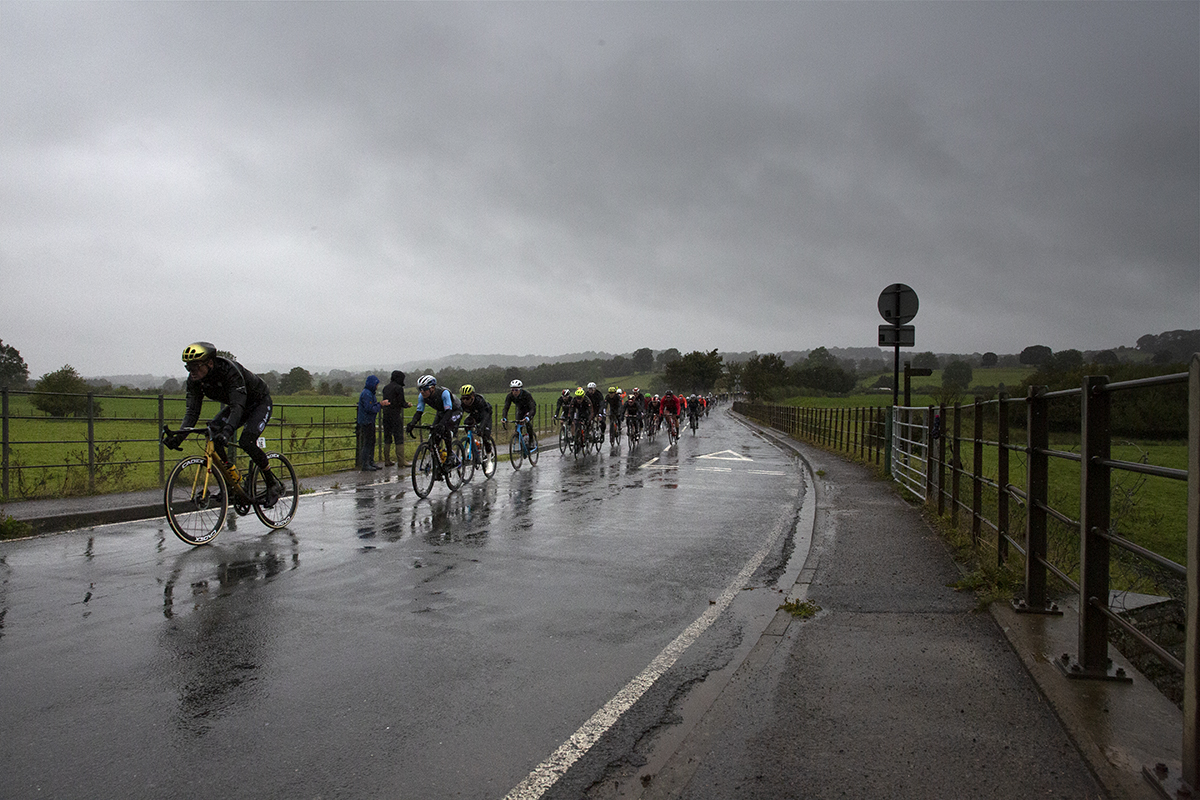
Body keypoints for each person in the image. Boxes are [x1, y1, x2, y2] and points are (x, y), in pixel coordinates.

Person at [165, 341, 284, 505]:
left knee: (246, 441)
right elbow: (192, 412)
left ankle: (272, 483)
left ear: (210, 363)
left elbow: (237, 406)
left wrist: (227, 431)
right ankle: (231, 482)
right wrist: (178, 438)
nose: (192, 372)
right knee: (213, 433)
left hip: (258, 402)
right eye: (188, 368)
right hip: (238, 406)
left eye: (196, 367)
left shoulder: (229, 371)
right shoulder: (195, 381)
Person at [406, 375, 462, 465]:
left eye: (424, 389)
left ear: (432, 388)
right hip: (441, 412)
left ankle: (450, 454)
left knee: (446, 429)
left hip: (454, 411)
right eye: (419, 389)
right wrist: (412, 423)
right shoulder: (421, 396)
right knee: (434, 436)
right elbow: (419, 412)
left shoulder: (444, 393)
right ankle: (438, 463)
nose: (422, 391)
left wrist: (442, 424)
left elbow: (448, 411)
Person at [357, 375, 390, 471]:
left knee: (371, 442)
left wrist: (380, 404)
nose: (377, 386)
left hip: (369, 420)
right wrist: (380, 405)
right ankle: (365, 463)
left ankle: (370, 461)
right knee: (367, 443)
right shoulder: (367, 394)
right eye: (376, 384)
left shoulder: (369, 393)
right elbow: (370, 408)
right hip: (366, 421)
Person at [381, 370, 412, 467]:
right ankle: (401, 461)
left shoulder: (385, 388)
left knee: (387, 438)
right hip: (395, 416)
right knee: (398, 438)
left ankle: (387, 460)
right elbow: (401, 402)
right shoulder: (398, 388)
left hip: (386, 415)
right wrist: (407, 405)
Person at [459, 384, 494, 456]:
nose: (465, 401)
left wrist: (481, 428)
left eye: (467, 398)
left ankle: (489, 453)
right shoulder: (462, 403)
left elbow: (485, 416)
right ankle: (474, 443)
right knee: (467, 423)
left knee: (485, 434)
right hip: (475, 415)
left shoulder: (479, 401)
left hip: (486, 414)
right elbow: (458, 414)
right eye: (463, 398)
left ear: (472, 396)